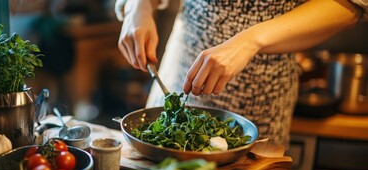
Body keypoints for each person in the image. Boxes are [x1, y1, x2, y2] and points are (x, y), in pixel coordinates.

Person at [114, 0, 367, 149]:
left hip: (261, 95)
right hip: (181, 68)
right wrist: (139, 6)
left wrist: (250, 40)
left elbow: (350, 5)